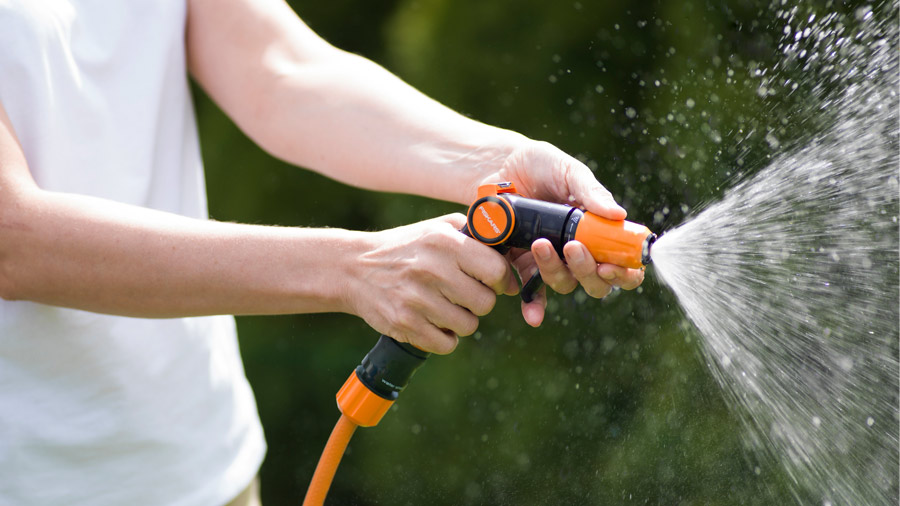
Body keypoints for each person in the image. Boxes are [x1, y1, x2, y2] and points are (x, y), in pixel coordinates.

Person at [0, 0, 644, 504]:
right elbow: (13, 239)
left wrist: (500, 165)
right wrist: (355, 272)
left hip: (202, 464)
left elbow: (278, 69)